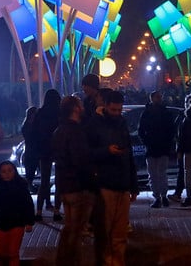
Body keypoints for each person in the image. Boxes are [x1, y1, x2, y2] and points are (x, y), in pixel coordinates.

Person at [86, 89, 139, 266]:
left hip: (122, 183)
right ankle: (106, 261)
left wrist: (133, 185)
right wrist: (106, 151)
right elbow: (87, 153)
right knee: (105, 230)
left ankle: (117, 261)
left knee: (120, 232)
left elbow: (129, 155)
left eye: (119, 110)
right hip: (105, 184)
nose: (116, 113)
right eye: (113, 110)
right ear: (106, 106)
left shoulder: (121, 123)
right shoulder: (95, 124)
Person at [52, 95, 96, 266]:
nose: (82, 107)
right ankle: (71, 261)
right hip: (77, 186)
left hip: (65, 185)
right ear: (75, 109)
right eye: (79, 105)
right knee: (76, 230)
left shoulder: (59, 131)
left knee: (70, 227)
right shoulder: (75, 132)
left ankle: (64, 260)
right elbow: (80, 160)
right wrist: (90, 181)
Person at [0, 161, 35, 266]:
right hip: (3, 223)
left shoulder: (21, 186)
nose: (7, 174)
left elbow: (28, 204)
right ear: (0, 174)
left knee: (13, 252)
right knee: (0, 252)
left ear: (15, 171)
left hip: (18, 222)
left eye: (10, 171)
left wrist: (29, 222)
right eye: (3, 171)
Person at [137, 90, 176, 208]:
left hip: (158, 146)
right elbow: (141, 130)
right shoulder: (153, 113)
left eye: (160, 97)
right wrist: (147, 142)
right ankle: (159, 196)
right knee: (156, 173)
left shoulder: (152, 112)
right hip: (155, 146)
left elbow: (171, 130)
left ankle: (161, 196)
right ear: (152, 98)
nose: (159, 99)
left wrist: (147, 141)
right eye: (157, 97)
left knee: (158, 173)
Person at [30, 88, 61, 220]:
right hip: (58, 150)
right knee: (59, 181)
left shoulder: (40, 113)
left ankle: (38, 212)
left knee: (44, 181)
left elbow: (34, 132)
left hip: (44, 150)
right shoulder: (60, 113)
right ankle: (56, 212)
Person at [169, 94, 191, 201]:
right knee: (183, 171)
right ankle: (180, 193)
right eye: (187, 102)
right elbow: (176, 133)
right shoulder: (181, 116)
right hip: (185, 149)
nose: (188, 105)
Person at [19, 106, 39, 193]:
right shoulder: (30, 126)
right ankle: (29, 186)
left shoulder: (26, 125)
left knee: (30, 171)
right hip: (32, 151)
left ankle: (30, 185)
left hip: (30, 150)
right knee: (30, 171)